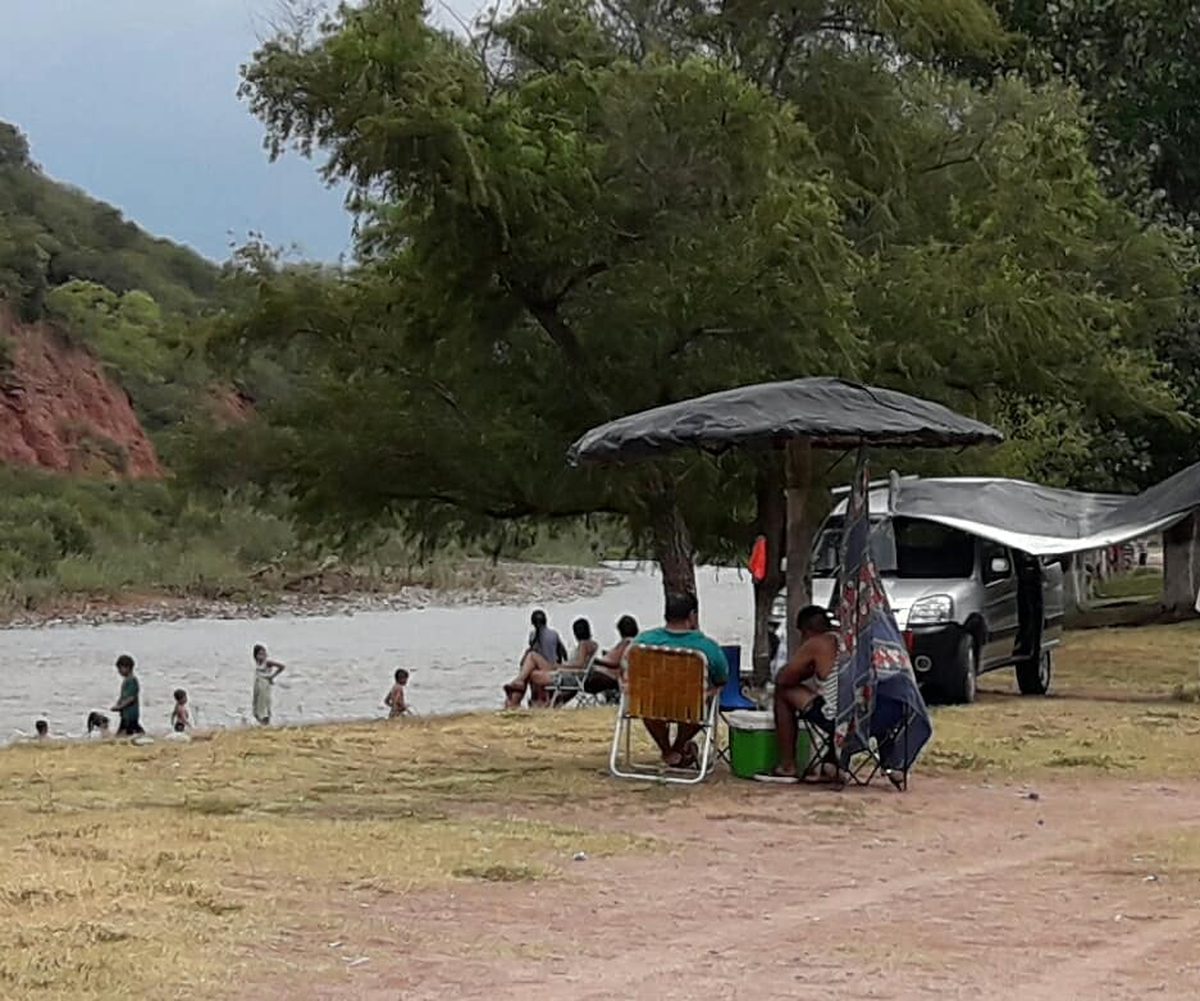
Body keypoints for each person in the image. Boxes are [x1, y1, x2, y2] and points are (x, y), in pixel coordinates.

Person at [630, 593, 729, 768]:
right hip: (690, 707)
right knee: (705, 696)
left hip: (651, 705)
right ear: (692, 615)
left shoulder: (642, 642)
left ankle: (667, 750)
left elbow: (630, 670)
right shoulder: (706, 646)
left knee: (648, 698)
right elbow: (722, 678)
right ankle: (677, 747)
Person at [757, 605, 839, 783]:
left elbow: (783, 679)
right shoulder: (847, 641)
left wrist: (804, 667)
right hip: (861, 716)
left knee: (782, 693)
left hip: (835, 718)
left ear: (806, 631)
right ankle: (831, 761)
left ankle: (787, 765)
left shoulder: (817, 643)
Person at [503, 610, 568, 708]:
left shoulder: (533, 635)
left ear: (532, 623)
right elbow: (563, 653)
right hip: (549, 667)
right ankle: (519, 692)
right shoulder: (554, 633)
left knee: (531, 658)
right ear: (546, 620)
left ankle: (515, 694)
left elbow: (533, 652)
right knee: (530, 670)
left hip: (548, 668)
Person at [585, 615, 639, 698]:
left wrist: (597, 661)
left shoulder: (627, 643)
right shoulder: (632, 642)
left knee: (582, 678)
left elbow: (616, 663)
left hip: (608, 676)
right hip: (607, 674)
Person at [252, 644, 286, 725]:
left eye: (263, 654)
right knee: (256, 705)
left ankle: (265, 723)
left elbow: (282, 666)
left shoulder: (267, 662)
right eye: (260, 654)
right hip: (258, 685)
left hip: (265, 685)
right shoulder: (258, 663)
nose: (262, 656)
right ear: (255, 655)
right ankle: (262, 723)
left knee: (264, 704)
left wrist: (272, 676)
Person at [112, 654, 144, 737]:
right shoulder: (126, 680)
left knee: (127, 729)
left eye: (120, 669)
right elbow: (124, 695)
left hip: (130, 713)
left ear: (127, 668)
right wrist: (118, 703)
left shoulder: (132, 680)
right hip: (125, 713)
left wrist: (120, 706)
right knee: (129, 728)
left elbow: (131, 698)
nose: (119, 671)